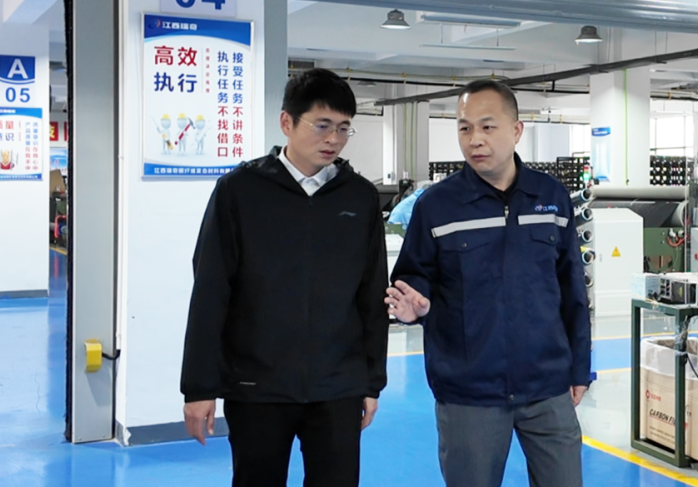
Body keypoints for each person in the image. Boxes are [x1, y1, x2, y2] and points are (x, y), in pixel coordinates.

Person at [181, 68, 389, 487]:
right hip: (257, 385)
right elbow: (210, 291)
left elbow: (371, 294)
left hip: (337, 386)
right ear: (286, 122)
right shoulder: (240, 191)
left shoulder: (360, 196)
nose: (334, 139)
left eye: (344, 128)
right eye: (322, 125)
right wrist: (199, 387)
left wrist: (371, 382)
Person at [386, 80, 591, 487]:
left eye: (487, 126)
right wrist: (413, 306)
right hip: (469, 390)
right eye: (464, 128)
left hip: (546, 385)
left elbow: (572, 290)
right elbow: (412, 275)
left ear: (516, 130)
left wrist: (580, 369)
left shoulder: (551, 197)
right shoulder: (436, 206)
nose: (474, 139)